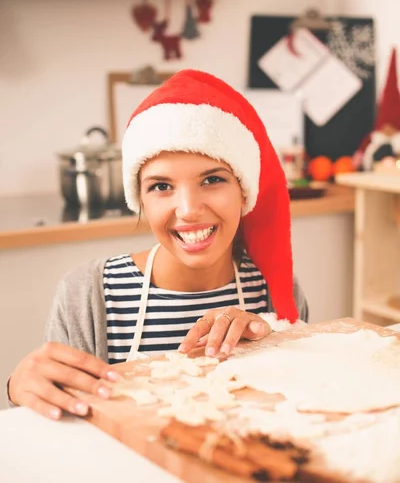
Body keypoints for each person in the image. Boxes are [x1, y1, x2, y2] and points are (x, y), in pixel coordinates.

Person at [8, 69, 308, 420]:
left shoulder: (273, 290)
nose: (189, 209)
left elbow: (302, 400)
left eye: (212, 179)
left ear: (244, 192)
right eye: (161, 186)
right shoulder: (87, 295)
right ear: (141, 200)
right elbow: (61, 420)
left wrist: (274, 342)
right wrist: (19, 388)